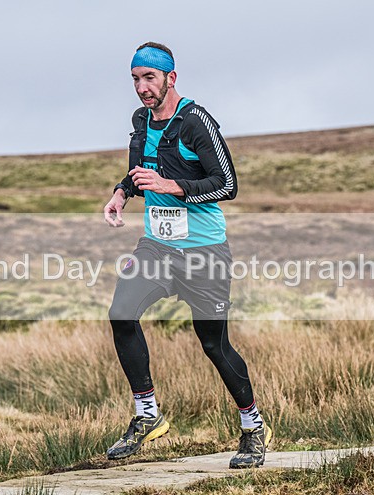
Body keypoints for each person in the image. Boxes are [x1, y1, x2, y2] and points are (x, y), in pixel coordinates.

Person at [102, 42, 271, 469]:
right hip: (157, 246)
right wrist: (123, 192)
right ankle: (147, 415)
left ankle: (253, 427)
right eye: (136, 80)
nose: (142, 88)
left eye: (150, 79)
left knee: (214, 344)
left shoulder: (196, 121)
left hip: (203, 251)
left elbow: (227, 185)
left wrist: (172, 186)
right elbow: (142, 174)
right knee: (122, 313)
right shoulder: (140, 121)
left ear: (170, 78)